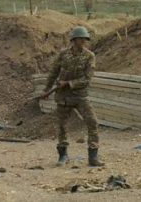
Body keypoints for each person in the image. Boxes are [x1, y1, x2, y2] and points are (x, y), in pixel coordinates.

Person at [41, 26, 105, 167]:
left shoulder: (89, 56)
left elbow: (87, 79)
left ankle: (93, 157)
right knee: (62, 127)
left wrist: (68, 83)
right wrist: (46, 89)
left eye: (85, 39)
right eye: (81, 39)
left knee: (92, 123)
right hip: (63, 97)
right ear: (74, 40)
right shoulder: (63, 55)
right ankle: (63, 156)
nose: (84, 41)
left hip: (80, 96)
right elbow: (53, 73)